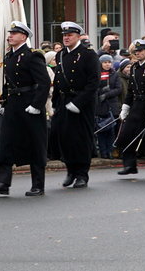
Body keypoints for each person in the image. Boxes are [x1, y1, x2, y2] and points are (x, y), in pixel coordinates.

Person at [0, 21, 50, 198]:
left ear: (23, 36)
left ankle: (38, 185)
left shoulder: (32, 56)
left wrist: (37, 106)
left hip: (30, 104)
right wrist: (3, 101)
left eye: (14, 33)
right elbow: (9, 83)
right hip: (14, 105)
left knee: (35, 144)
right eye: (10, 33)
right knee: (6, 142)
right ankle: (3, 183)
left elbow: (44, 82)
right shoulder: (9, 56)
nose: (10, 36)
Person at [50, 21, 100, 189]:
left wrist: (79, 102)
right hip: (64, 101)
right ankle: (70, 170)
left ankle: (82, 174)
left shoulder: (88, 54)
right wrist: (56, 102)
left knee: (81, 138)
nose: (66, 38)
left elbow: (94, 83)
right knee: (65, 138)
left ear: (78, 36)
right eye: (64, 35)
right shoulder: (61, 55)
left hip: (82, 101)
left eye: (69, 35)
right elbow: (58, 80)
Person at [114, 39, 145, 176]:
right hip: (136, 105)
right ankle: (130, 165)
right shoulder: (135, 67)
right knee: (126, 134)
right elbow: (131, 90)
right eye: (136, 51)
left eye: (140, 51)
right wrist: (125, 106)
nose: (137, 53)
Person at [95, 54, 121, 160]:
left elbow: (118, 89)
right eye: (105, 62)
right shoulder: (97, 74)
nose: (107, 64)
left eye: (109, 62)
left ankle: (110, 151)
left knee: (111, 130)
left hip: (112, 105)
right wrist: (100, 92)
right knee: (101, 130)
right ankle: (103, 152)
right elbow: (94, 87)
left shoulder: (115, 74)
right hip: (100, 106)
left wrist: (107, 93)